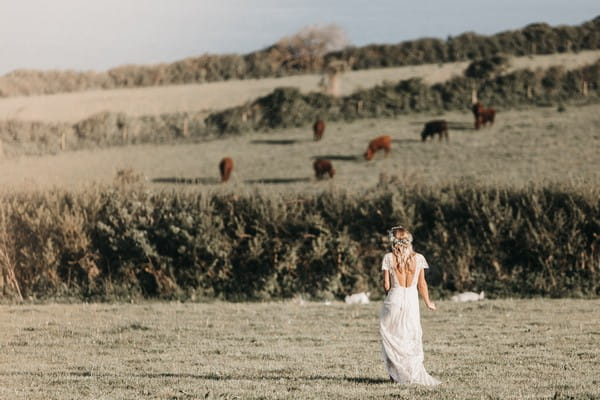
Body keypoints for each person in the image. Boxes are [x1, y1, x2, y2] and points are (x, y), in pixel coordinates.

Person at [380, 225, 440, 385]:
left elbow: (386, 284)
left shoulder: (388, 258)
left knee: (392, 336)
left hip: (395, 297)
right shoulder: (419, 258)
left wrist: (389, 296)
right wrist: (428, 302)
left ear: (393, 241)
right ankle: (411, 373)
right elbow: (422, 284)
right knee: (410, 335)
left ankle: (395, 376)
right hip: (412, 300)